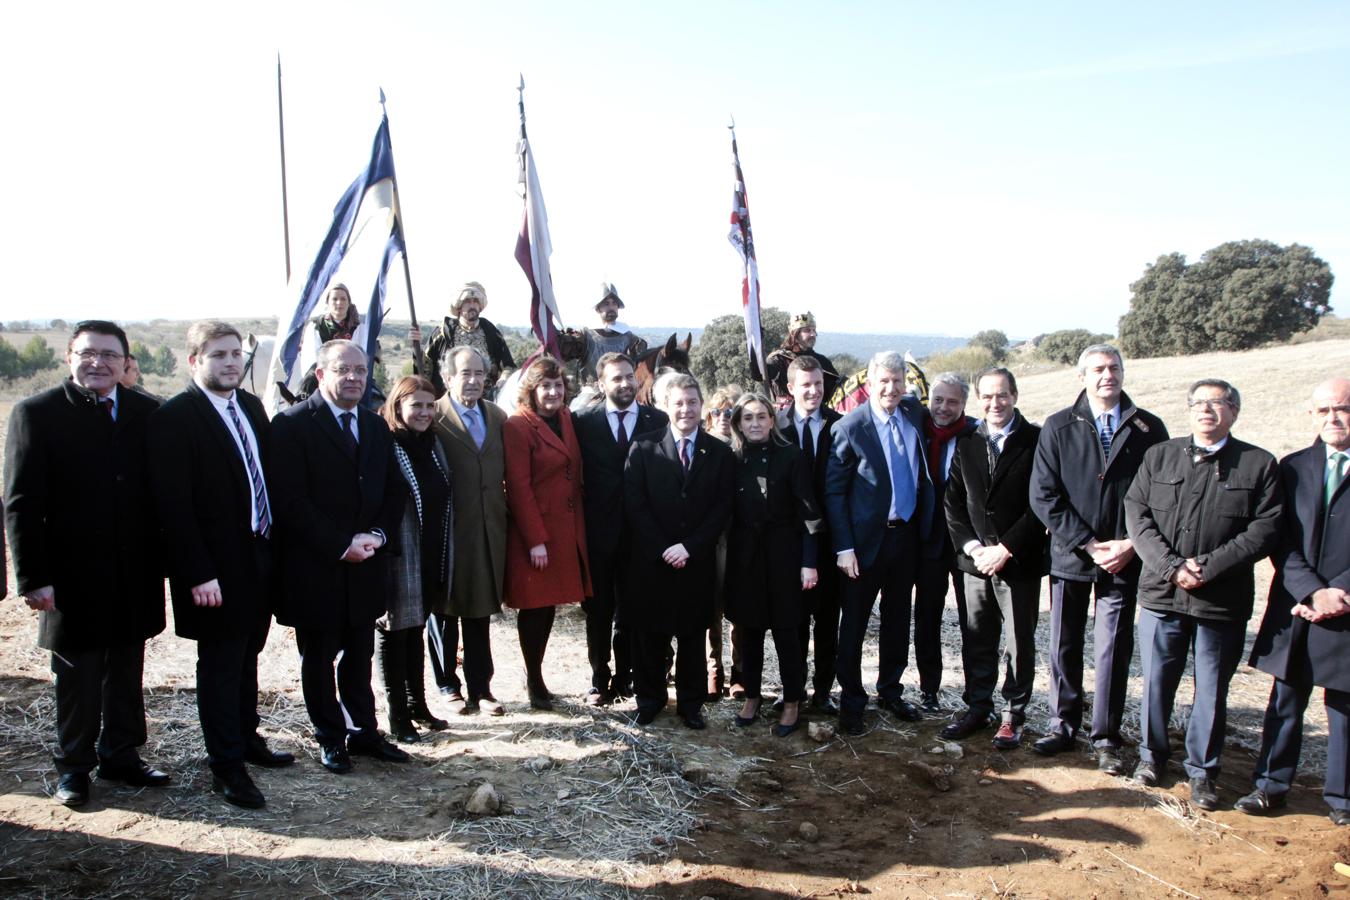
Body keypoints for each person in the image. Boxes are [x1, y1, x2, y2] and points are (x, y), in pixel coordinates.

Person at [4, 320, 168, 807]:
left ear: (125, 363)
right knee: (77, 677)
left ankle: (121, 755)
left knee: (126, 669)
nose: (98, 363)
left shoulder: (147, 412)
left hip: (134, 573)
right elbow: (21, 502)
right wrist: (33, 577)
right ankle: (74, 767)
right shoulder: (37, 413)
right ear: (69, 358)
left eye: (109, 355)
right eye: (88, 353)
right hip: (71, 579)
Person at [148, 321, 292, 810]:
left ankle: (247, 738)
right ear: (195, 362)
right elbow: (174, 507)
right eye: (217, 355)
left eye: (235, 354)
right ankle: (225, 767)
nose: (230, 363)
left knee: (250, 651)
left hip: (258, 555)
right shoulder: (177, 417)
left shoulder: (250, 406)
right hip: (213, 568)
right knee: (220, 664)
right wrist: (196, 572)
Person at [1124, 379, 1282, 809]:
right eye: (1198, 403)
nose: (1206, 410)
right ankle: (1152, 757)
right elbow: (1137, 516)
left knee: (1211, 690)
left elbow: (1264, 530)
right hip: (1162, 594)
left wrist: (1208, 568)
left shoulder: (1258, 464)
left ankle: (1203, 772)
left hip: (1221, 600)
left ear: (1234, 411)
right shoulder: (1160, 456)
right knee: (1157, 682)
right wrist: (1173, 567)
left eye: (1217, 403)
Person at [1029, 343, 1168, 774]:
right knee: (1064, 645)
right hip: (1072, 557)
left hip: (1125, 558)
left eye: (1114, 367)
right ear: (1082, 377)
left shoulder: (1149, 428)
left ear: (1124, 372)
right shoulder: (1058, 426)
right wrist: (1087, 543)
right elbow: (1043, 495)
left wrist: (1129, 544)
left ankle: (1106, 737)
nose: (1107, 375)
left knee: (1112, 648)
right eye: (1098, 369)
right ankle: (1062, 725)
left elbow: (1161, 497)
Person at [271, 339, 409, 773]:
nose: (353, 378)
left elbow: (393, 488)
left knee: (359, 654)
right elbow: (290, 501)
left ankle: (364, 732)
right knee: (319, 657)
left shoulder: (373, 426)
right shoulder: (291, 425)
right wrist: (339, 544)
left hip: (366, 564)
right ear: (320, 374)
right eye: (342, 370)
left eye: (360, 371)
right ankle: (330, 737)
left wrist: (378, 535)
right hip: (317, 567)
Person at [1242, 377, 1350, 824]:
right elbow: (1279, 538)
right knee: (1286, 699)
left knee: (1344, 705)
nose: (1333, 418)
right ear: (1311, 415)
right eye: (1323, 411)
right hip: (1297, 604)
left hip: (1346, 607)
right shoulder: (1293, 467)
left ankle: (1343, 799)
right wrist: (1312, 590)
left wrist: (1340, 593)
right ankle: (1270, 786)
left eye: (1342, 409)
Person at [826, 351, 937, 735]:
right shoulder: (850, 427)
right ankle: (851, 702)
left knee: (896, 621)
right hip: (862, 546)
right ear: (869, 382)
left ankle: (890, 691)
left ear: (906, 384)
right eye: (883, 381)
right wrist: (843, 548)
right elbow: (835, 493)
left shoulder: (913, 415)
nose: (891, 388)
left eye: (897, 381)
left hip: (905, 539)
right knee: (854, 625)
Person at [940, 368, 1046, 748]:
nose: (994, 403)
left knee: (1019, 640)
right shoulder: (967, 440)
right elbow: (953, 502)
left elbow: (1041, 504)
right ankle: (977, 707)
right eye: (987, 396)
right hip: (975, 562)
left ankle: (1013, 714)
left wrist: (1005, 548)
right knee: (977, 638)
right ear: (978, 401)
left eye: (1001, 395)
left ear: (1014, 395)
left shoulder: (1035, 440)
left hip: (1018, 560)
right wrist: (973, 548)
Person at [625, 373, 735, 729]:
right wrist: (663, 547)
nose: (685, 409)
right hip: (653, 561)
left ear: (701, 406)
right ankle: (650, 699)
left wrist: (690, 547)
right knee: (650, 636)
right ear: (664, 407)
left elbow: (722, 506)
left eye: (692, 402)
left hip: (696, 560)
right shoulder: (643, 447)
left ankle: (691, 704)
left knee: (691, 636)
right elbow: (635, 504)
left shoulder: (718, 453)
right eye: (678, 403)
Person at [574, 353, 668, 705]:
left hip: (643, 534)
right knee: (597, 611)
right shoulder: (582, 421)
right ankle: (599, 678)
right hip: (598, 532)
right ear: (601, 384)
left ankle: (627, 678)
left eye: (630, 376)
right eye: (617, 378)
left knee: (633, 609)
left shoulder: (657, 420)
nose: (626, 383)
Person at [726, 392, 822, 736]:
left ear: (772, 420)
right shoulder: (732, 458)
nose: (755, 423)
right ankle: (752, 696)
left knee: (787, 634)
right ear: (738, 422)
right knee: (749, 633)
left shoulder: (791, 456)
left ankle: (793, 700)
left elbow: (809, 514)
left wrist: (809, 563)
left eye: (761, 417)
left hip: (785, 556)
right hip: (745, 558)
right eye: (748, 418)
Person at [503, 356, 592, 710]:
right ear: (532, 390)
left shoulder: (566, 419)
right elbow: (518, 487)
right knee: (533, 607)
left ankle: (539, 677)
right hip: (536, 533)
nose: (553, 392)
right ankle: (533, 679)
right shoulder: (517, 426)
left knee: (549, 604)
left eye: (558, 386)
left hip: (567, 527)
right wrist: (535, 539)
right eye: (545, 386)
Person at [377, 375, 454, 743]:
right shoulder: (388, 445)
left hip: (429, 550)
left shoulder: (433, 444)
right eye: (416, 406)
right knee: (394, 633)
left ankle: (418, 704)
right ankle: (397, 716)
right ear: (398, 407)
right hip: (398, 553)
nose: (424, 412)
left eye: (429, 405)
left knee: (416, 629)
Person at [431, 347, 508, 715]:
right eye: (465, 373)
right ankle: (448, 685)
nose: (474, 380)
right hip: (448, 530)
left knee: (479, 612)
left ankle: (482, 688)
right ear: (448, 378)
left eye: (480, 373)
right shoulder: (433, 417)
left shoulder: (497, 416)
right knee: (444, 611)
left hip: (488, 529)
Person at [777, 355, 844, 713]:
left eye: (818, 384)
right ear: (790, 389)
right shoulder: (775, 426)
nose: (813, 391)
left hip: (832, 539)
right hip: (790, 541)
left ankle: (823, 691)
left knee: (827, 621)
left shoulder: (839, 425)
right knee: (794, 622)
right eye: (805, 385)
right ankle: (794, 690)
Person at [913, 372, 978, 713]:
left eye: (952, 401)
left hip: (968, 543)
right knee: (927, 618)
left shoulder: (976, 435)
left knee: (974, 621)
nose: (943, 407)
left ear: (964, 404)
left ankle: (976, 695)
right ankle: (929, 690)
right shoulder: (918, 430)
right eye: (938, 399)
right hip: (928, 543)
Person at [702, 384, 743, 697]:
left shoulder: (745, 448)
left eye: (730, 412)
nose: (724, 417)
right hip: (710, 539)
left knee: (739, 608)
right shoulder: (702, 448)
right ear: (709, 416)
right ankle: (713, 669)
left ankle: (739, 671)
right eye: (718, 411)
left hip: (740, 537)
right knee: (710, 606)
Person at [421, 282, 515, 399]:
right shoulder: (442, 333)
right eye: (467, 301)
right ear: (459, 306)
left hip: (487, 400)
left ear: (480, 305)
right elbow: (424, 367)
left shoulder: (491, 332)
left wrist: (503, 381)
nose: (472, 305)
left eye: (475, 301)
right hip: (448, 401)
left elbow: (509, 366)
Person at [578, 283, 648, 386]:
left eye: (614, 303)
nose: (611, 307)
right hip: (592, 390)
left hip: (620, 388)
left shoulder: (628, 336)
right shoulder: (586, 334)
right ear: (598, 308)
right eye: (606, 304)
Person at [765, 312, 839, 405]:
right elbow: (759, 375)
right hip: (785, 417)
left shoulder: (823, 361)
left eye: (814, 330)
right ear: (794, 334)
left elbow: (837, 392)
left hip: (816, 417)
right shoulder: (779, 359)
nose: (813, 334)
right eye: (807, 330)